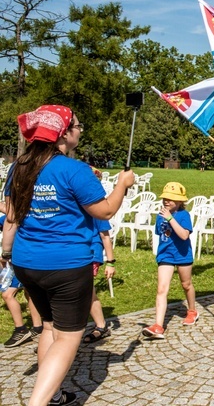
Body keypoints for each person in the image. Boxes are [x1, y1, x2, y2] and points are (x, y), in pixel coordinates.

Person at [1, 105, 134, 406]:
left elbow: (10, 213)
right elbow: (105, 211)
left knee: (49, 326)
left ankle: (56, 394)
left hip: (26, 262)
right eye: (77, 124)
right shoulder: (74, 170)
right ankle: (38, 402)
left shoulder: (19, 166)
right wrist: (122, 185)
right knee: (68, 337)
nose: (81, 129)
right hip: (66, 265)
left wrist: (7, 251)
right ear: (64, 133)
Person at [142, 182, 197, 339]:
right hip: (165, 255)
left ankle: (192, 310)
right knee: (161, 289)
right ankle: (158, 325)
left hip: (182, 254)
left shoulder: (183, 215)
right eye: (165, 198)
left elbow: (184, 235)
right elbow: (162, 235)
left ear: (180, 201)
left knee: (186, 284)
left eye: (171, 199)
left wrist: (171, 218)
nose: (167, 201)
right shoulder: (160, 216)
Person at [1, 211, 43, 348]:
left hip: (22, 260)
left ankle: (21, 329)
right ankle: (37, 327)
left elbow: (11, 214)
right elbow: (7, 219)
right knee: (29, 292)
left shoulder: (27, 214)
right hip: (19, 261)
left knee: (7, 294)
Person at [83, 218, 115, 343]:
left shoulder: (94, 206)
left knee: (86, 290)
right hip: (71, 252)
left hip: (90, 253)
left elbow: (105, 235)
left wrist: (110, 262)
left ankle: (101, 326)